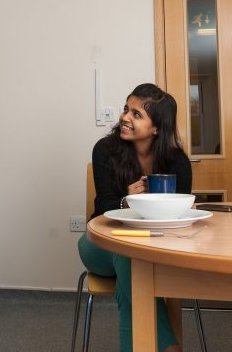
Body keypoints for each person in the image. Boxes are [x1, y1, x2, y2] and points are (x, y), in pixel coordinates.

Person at [78, 83, 191, 352]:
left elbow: (182, 212)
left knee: (133, 265)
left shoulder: (177, 161)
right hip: (100, 244)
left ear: (157, 128)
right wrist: (128, 201)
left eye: (137, 114)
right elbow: (104, 209)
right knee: (130, 255)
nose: (125, 118)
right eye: (127, 109)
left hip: (152, 250)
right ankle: (169, 347)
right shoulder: (105, 149)